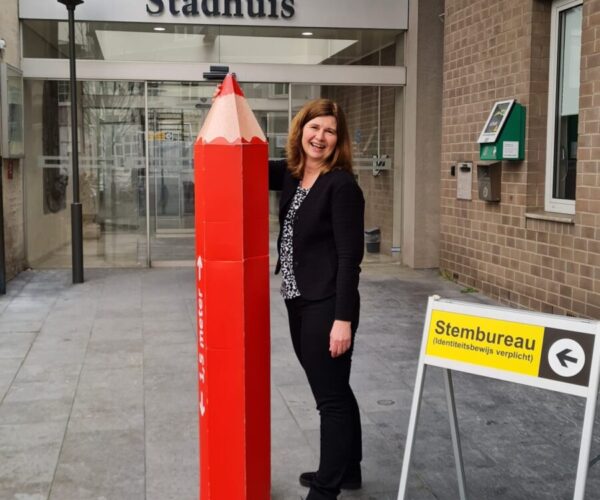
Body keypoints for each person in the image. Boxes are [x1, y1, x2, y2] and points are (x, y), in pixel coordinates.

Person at [269, 99, 365, 500]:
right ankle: (349, 470)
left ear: (338, 140)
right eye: (314, 128)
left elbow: (350, 259)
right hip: (297, 298)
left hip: (327, 303)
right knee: (337, 389)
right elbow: (245, 158)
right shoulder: (293, 176)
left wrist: (342, 319)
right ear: (301, 130)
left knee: (329, 399)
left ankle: (326, 489)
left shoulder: (341, 186)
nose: (320, 137)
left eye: (329, 131)